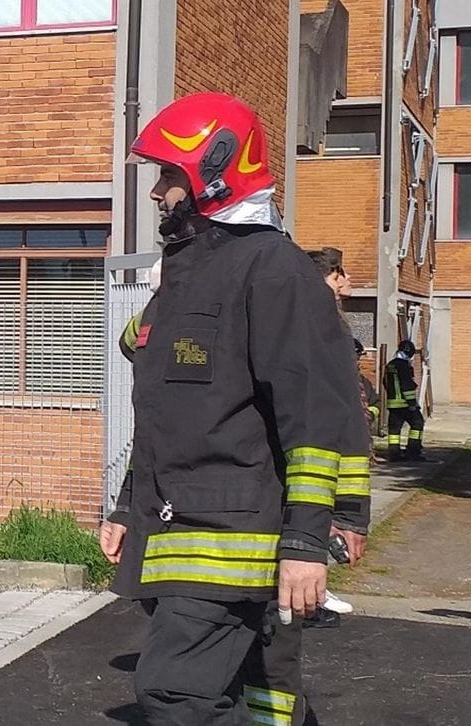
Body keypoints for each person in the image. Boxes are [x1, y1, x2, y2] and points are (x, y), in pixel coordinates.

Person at [99, 92, 370, 725]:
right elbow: (170, 416)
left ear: (211, 171)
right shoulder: (190, 272)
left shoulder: (273, 269)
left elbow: (318, 416)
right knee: (264, 694)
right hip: (185, 530)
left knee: (175, 693)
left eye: (167, 175)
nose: (156, 192)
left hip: (235, 540)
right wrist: (124, 507)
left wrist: (309, 539)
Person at [384, 340, 426, 461]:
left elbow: (385, 382)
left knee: (394, 430)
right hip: (404, 404)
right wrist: (412, 403)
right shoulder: (404, 366)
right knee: (417, 423)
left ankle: (394, 453)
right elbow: (407, 386)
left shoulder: (390, 365)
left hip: (393, 404)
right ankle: (413, 451)